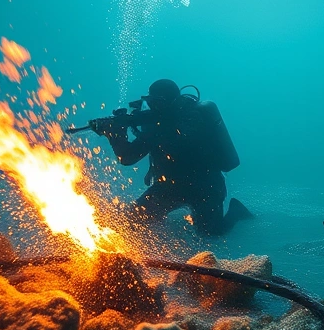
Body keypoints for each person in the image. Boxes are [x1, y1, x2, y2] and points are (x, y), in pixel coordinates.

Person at [98, 79, 253, 236]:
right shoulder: (154, 122)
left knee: (211, 234)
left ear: (174, 101)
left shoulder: (194, 117)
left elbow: (177, 140)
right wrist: (116, 133)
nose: (155, 107)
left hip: (204, 185)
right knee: (132, 221)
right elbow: (127, 157)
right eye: (152, 102)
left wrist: (144, 128)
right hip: (169, 185)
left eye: (160, 102)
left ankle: (236, 211)